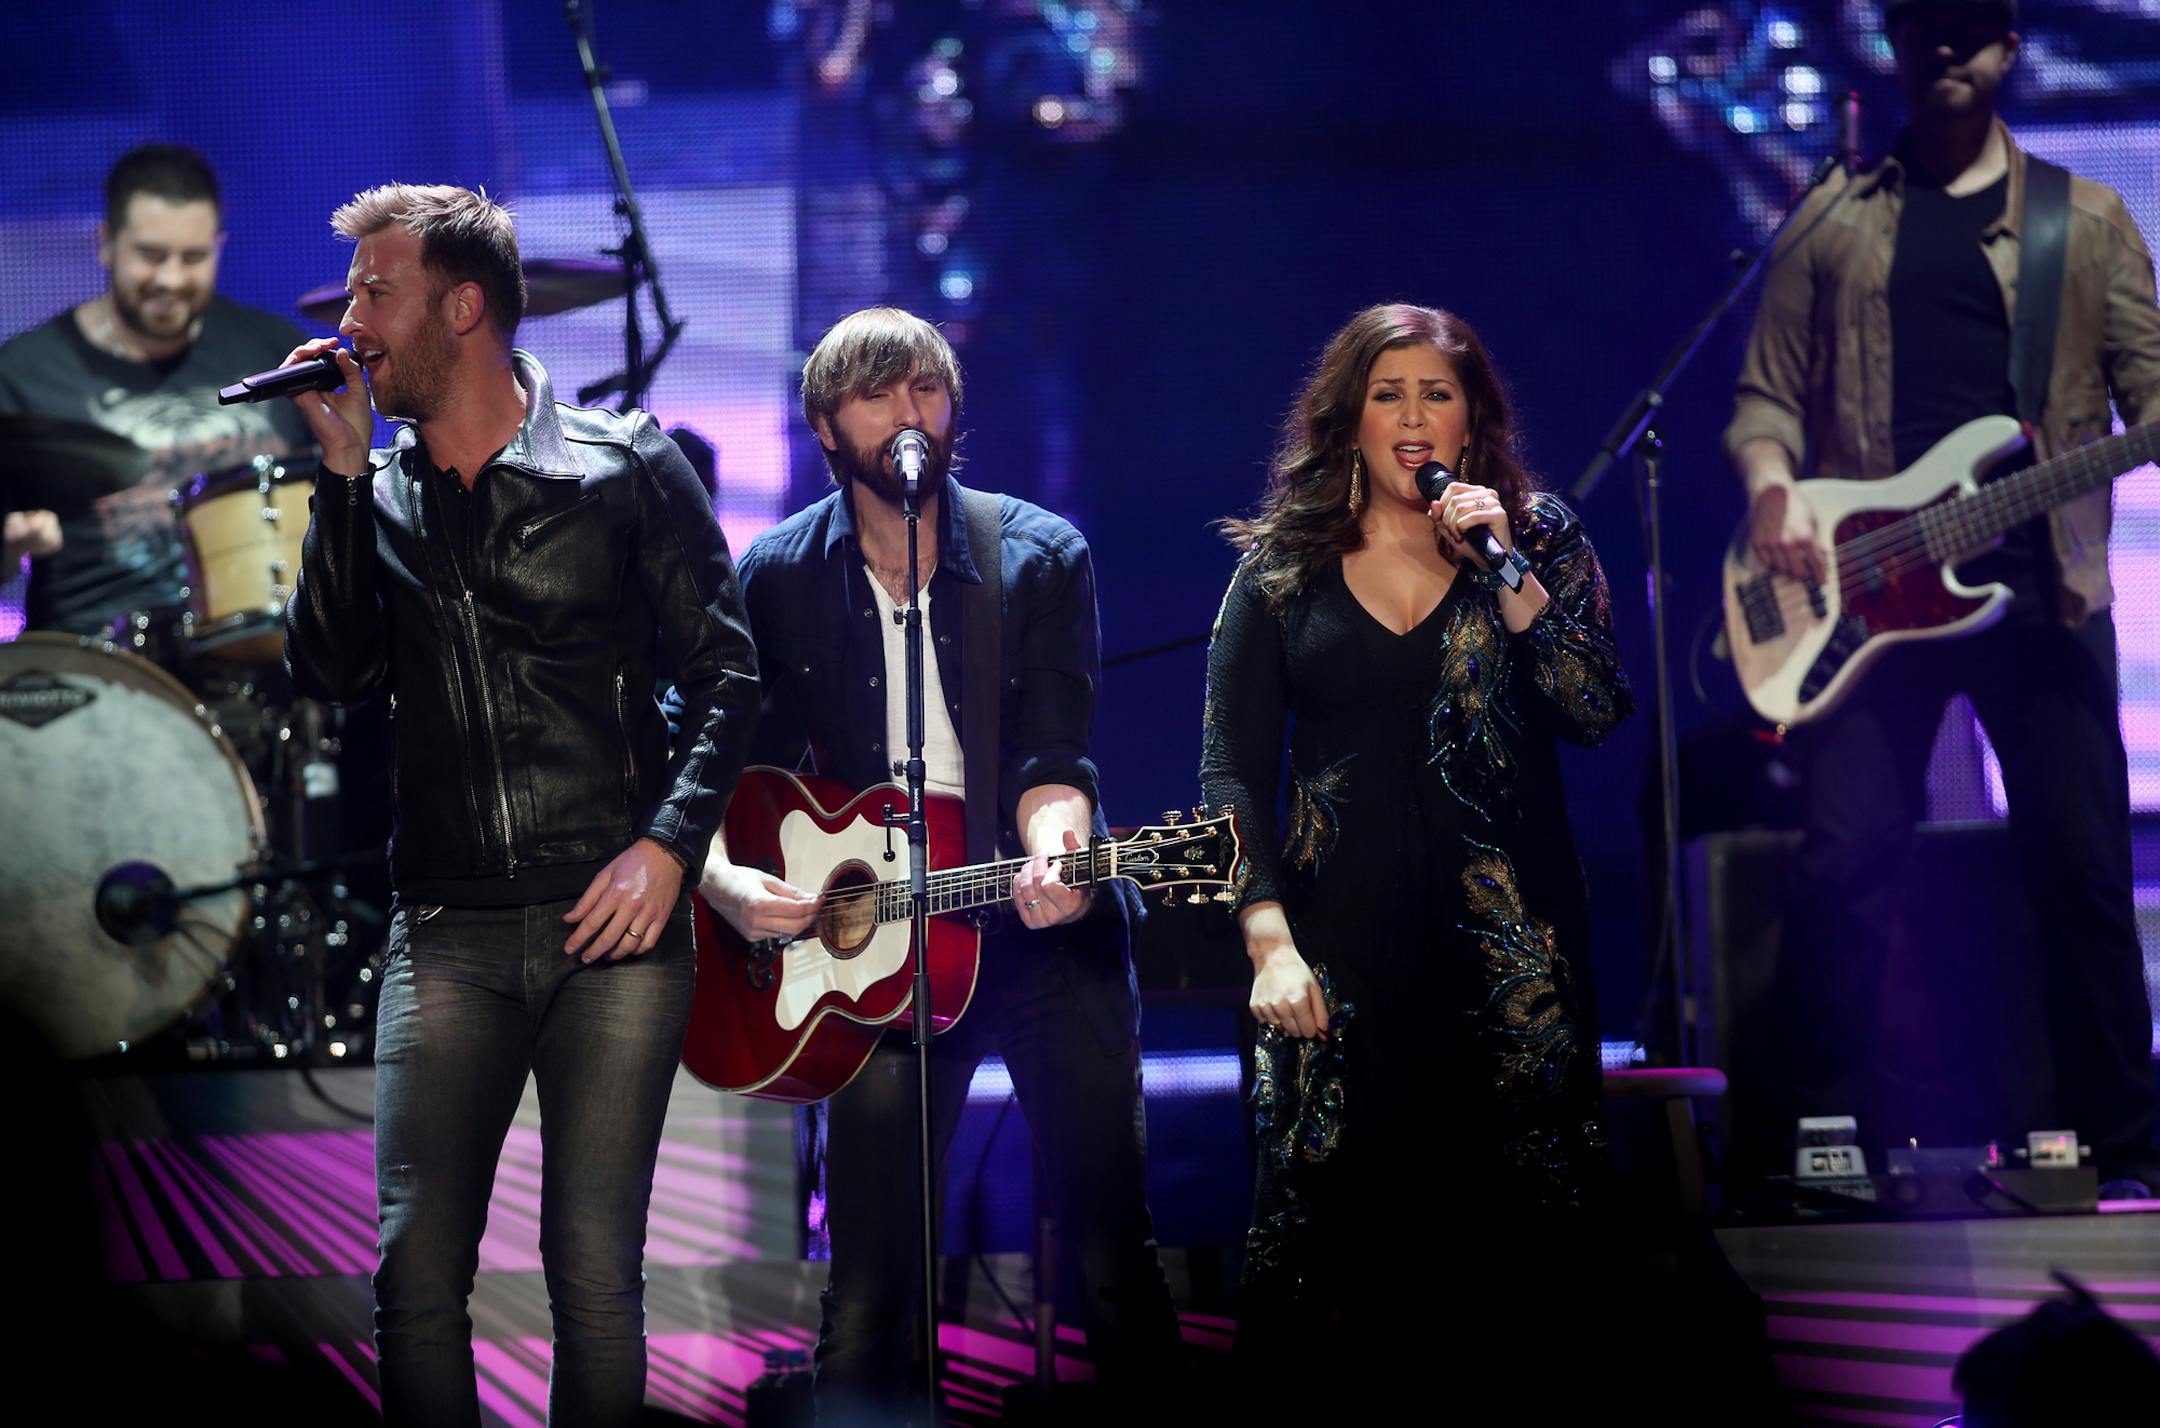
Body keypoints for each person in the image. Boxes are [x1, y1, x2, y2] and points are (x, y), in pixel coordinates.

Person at [281, 183, 760, 1427]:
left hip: (617, 930)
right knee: (416, 1274)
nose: (350, 321)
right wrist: (337, 478)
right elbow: (330, 678)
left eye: (373, 292)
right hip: (446, 926)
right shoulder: (376, 496)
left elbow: (728, 676)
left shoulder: (624, 464)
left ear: (465, 304)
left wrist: (668, 849)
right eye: (350, 295)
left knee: (593, 1276)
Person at [693, 306, 1181, 1421]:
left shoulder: (1039, 555)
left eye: (927, 391)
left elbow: (1060, 754)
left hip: (1032, 926)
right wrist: (725, 880)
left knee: (1113, 1250)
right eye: (879, 394)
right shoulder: (774, 574)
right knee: (866, 1288)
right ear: (827, 426)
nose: (909, 414)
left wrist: (1058, 845)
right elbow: (732, 774)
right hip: (876, 957)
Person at [1727, 0, 2160, 1193]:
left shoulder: (2089, 219)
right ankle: (1824, 1146)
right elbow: (1767, 398)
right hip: (1862, 597)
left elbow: (2149, 389)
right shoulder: (1834, 217)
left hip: (2045, 596)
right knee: (1843, 868)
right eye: (1926, 24)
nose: (1949, 47)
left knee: (2077, 874)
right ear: (1897, 47)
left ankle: (2123, 1153)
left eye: (1973, 26)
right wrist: (1772, 493)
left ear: (2011, 47)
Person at [1199, 302, 1631, 1398]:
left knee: (1524, 1274)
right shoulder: (1283, 568)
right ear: (1348, 418)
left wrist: (1507, 569)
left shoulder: (1538, 542)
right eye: (1388, 392)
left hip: (1512, 971)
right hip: (1337, 973)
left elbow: (1592, 708)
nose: (1413, 414)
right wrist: (1266, 944)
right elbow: (1232, 775)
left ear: (1474, 419)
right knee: (1333, 1275)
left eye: (1437, 393)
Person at [0, 143, 312, 638]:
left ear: (219, 247)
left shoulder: (275, 349)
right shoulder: (22, 373)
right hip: (99, 674)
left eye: (193, 258)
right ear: (106, 242)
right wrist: (10, 544)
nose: (171, 279)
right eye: (151, 255)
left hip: (269, 660)